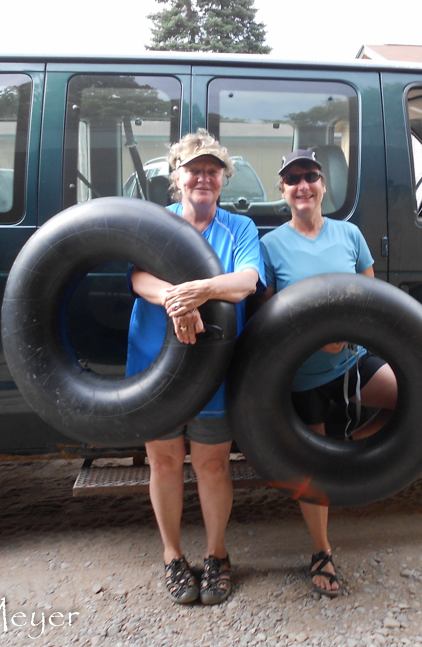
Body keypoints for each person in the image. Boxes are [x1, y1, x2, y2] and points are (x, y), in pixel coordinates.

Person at [126, 129, 264, 605]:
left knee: (211, 464)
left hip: (215, 364)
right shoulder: (154, 221)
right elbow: (139, 276)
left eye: (212, 170)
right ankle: (171, 556)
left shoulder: (239, 228)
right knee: (163, 461)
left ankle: (217, 555)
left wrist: (198, 292)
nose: (203, 178)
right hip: (154, 360)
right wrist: (173, 300)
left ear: (223, 179)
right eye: (193, 169)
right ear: (176, 177)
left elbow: (246, 281)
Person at [258, 149, 398, 597]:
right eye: (293, 179)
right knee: (312, 463)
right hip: (302, 375)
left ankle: (348, 448)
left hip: (352, 362)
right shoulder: (270, 245)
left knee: (405, 394)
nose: (303, 185)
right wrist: (318, 340)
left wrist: (342, 337)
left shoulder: (349, 235)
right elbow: (268, 321)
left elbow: (371, 298)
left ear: (323, 185)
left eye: (310, 176)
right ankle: (322, 550)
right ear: (282, 191)